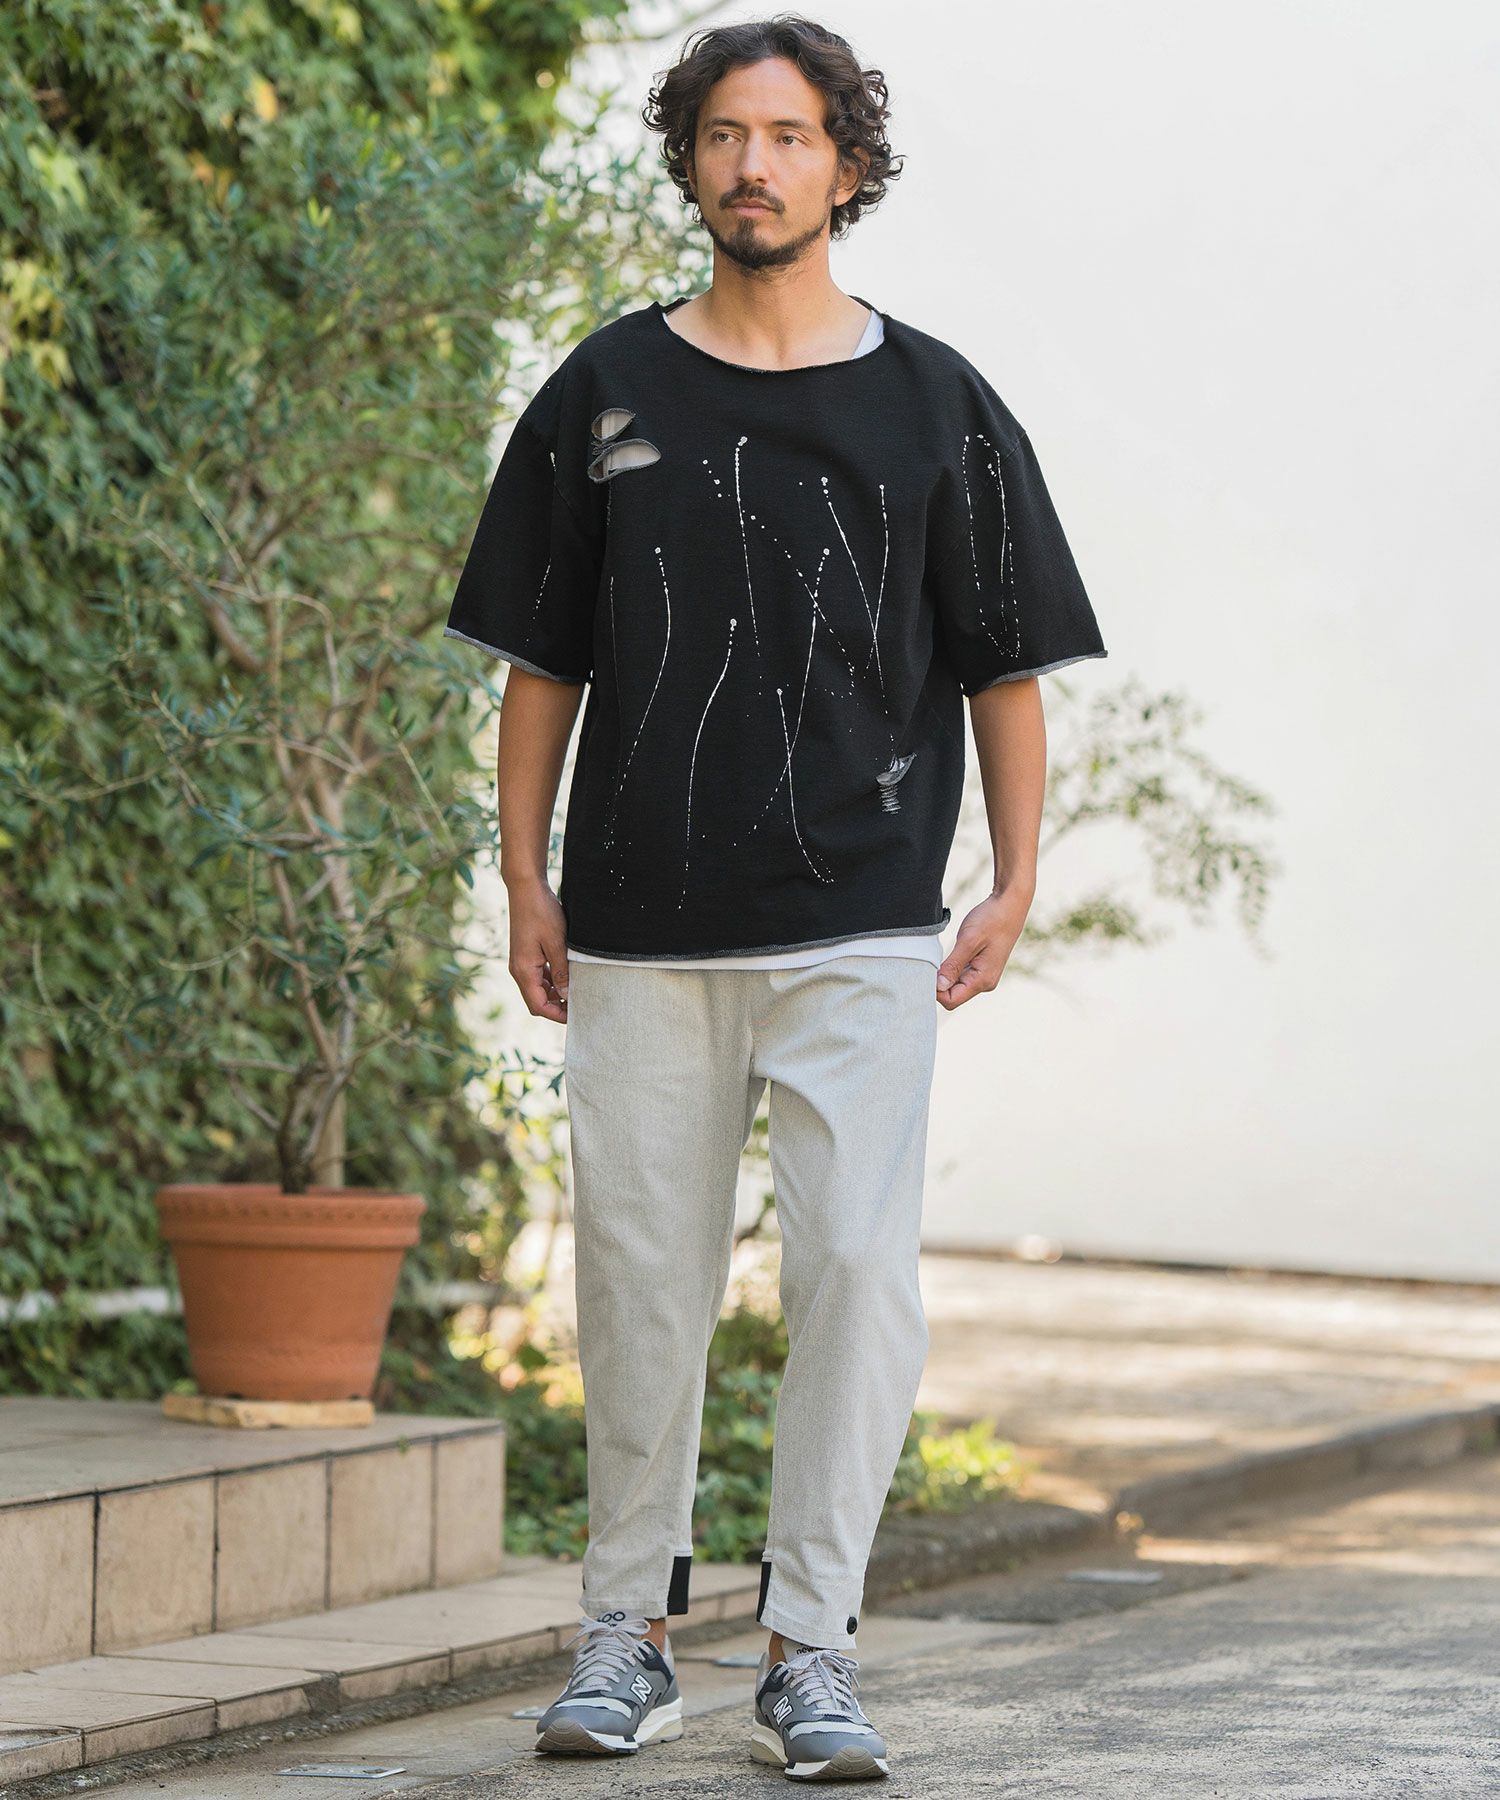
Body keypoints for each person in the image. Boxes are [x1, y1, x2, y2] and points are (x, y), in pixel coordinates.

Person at [444, 15, 1107, 1783]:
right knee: (639, 1286)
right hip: (640, 921)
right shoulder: (604, 390)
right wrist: (524, 874)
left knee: (860, 1275)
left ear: (848, 165)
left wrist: (1017, 875)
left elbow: (1006, 663)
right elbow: (540, 664)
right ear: (690, 161)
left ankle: (813, 1647)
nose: (756, 164)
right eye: (727, 134)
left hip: (864, 919)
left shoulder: (938, 403)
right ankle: (627, 1634)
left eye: (792, 135)